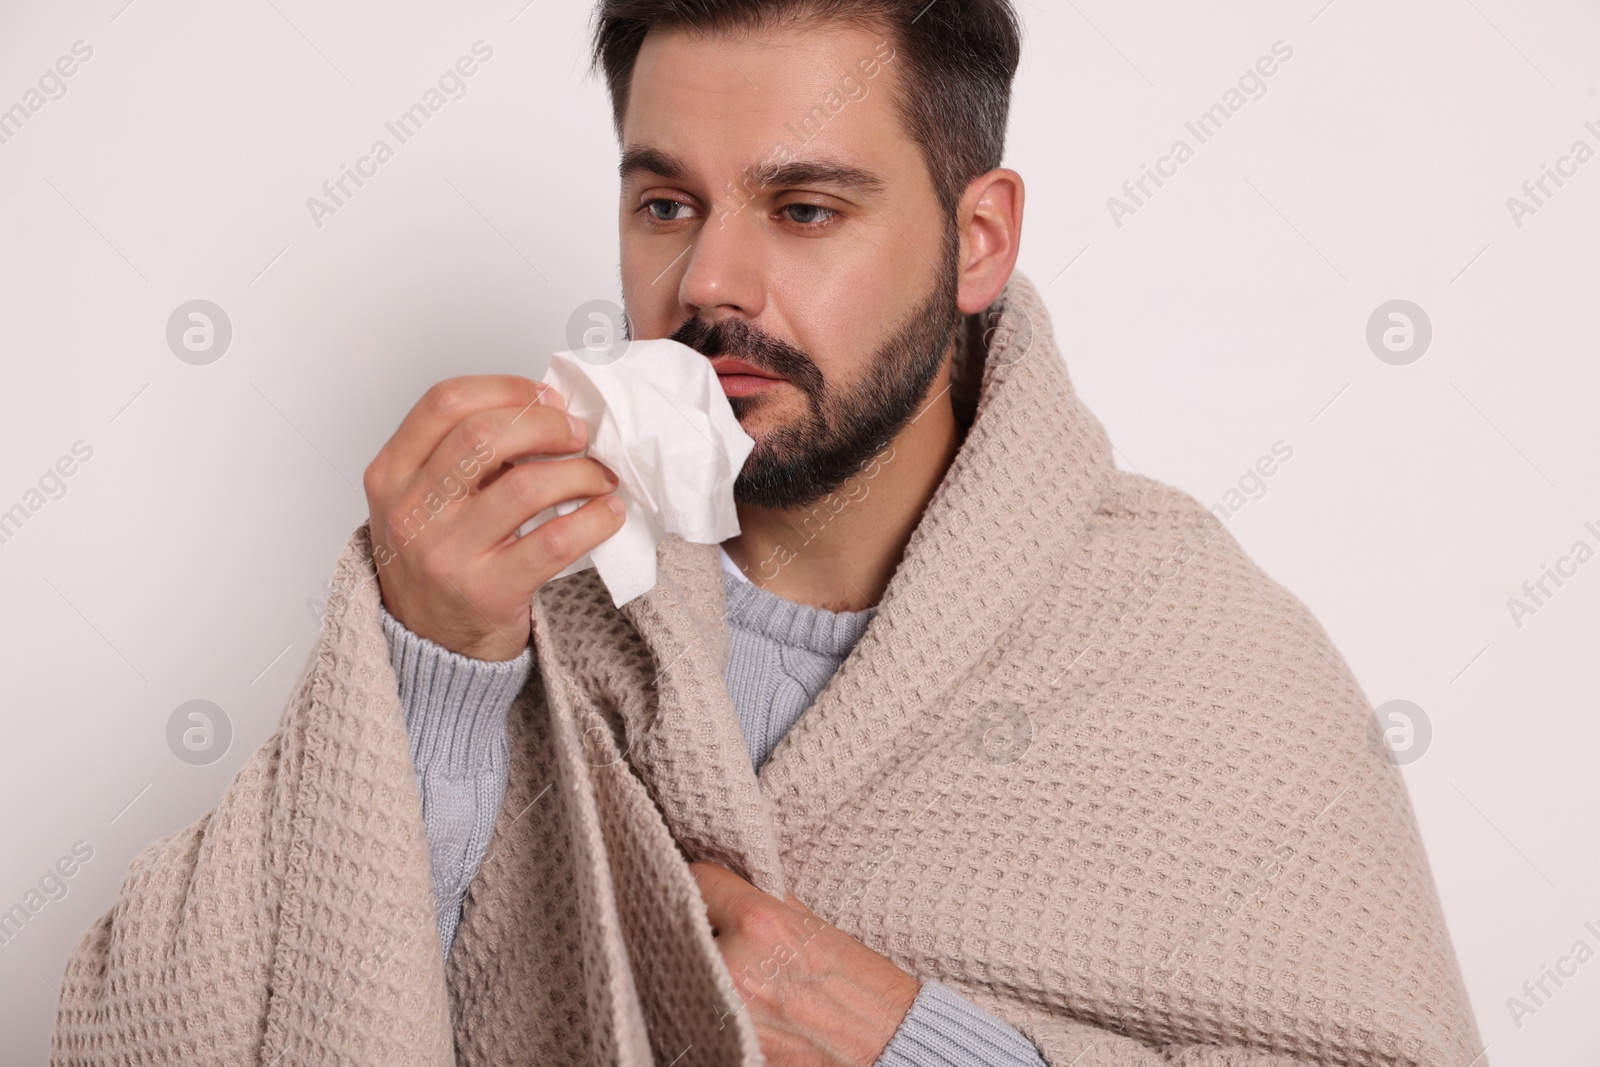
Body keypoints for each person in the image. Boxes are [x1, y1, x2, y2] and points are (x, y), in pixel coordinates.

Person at [52, 2, 1487, 1064]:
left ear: (978, 240)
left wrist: (918, 1043)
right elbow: (162, 1033)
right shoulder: (498, 589)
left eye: (805, 208)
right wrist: (426, 665)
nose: (711, 280)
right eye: (665, 202)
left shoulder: (1196, 646)